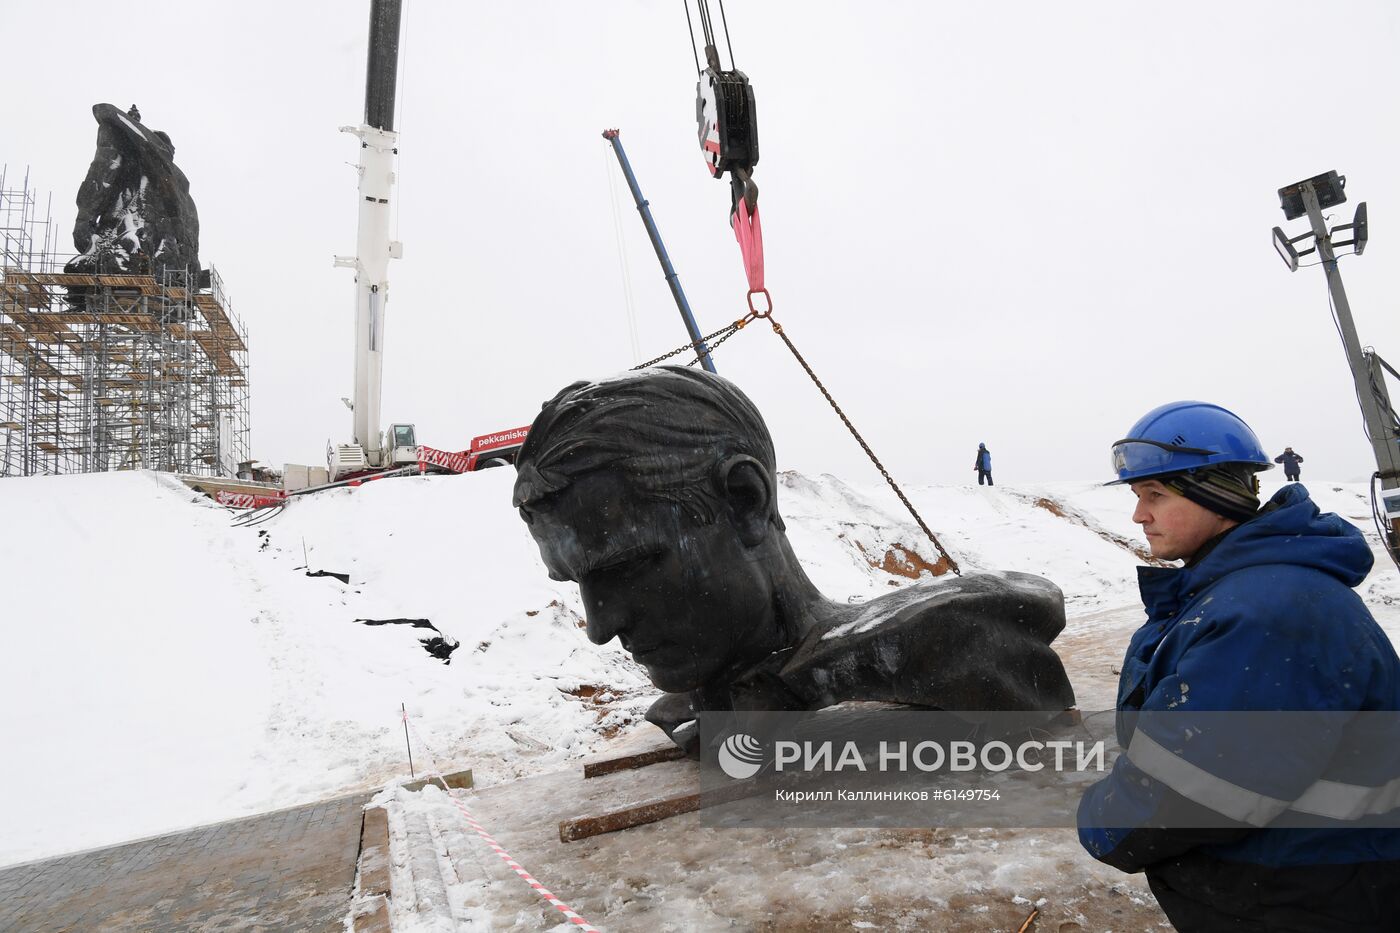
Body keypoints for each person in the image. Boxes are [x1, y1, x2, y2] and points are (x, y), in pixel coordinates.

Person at [512, 367, 1075, 751]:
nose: (600, 628)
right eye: (576, 582)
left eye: (629, 568)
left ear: (746, 502)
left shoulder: (955, 638)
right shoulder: (700, 702)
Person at [1078, 400, 1400, 932]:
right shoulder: (1242, 590)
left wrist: (1102, 819)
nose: (1139, 516)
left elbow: (1195, 790)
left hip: (1304, 895)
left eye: (1155, 495)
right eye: (1137, 497)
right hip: (1296, 881)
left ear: (1216, 493)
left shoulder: (1268, 611)